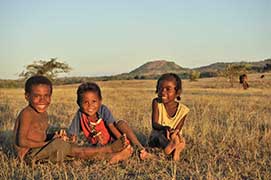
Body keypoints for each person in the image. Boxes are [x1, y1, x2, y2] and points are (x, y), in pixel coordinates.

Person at [13, 75, 132, 166]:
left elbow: (38, 136)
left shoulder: (43, 113)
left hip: (40, 151)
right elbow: (22, 141)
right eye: (37, 96)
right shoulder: (27, 113)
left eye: (46, 96)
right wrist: (50, 143)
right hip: (28, 157)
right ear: (27, 96)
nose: (42, 100)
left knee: (74, 152)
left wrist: (53, 137)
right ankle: (109, 150)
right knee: (72, 150)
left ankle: (113, 156)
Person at [67, 82, 154, 160]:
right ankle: (119, 156)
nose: (90, 106)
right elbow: (73, 133)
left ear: (100, 101)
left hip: (114, 139)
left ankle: (141, 149)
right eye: (85, 102)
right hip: (100, 146)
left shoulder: (103, 110)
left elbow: (111, 126)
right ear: (78, 103)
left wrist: (122, 141)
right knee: (93, 154)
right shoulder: (80, 114)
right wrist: (70, 140)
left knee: (121, 123)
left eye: (94, 101)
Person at [149, 73, 190, 161]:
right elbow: (154, 124)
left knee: (177, 137)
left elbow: (178, 129)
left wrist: (173, 133)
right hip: (158, 135)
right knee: (160, 136)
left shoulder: (183, 110)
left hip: (172, 136)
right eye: (160, 89)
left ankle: (172, 147)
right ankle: (172, 148)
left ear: (177, 92)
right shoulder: (157, 103)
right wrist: (164, 128)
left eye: (168, 89)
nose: (163, 92)